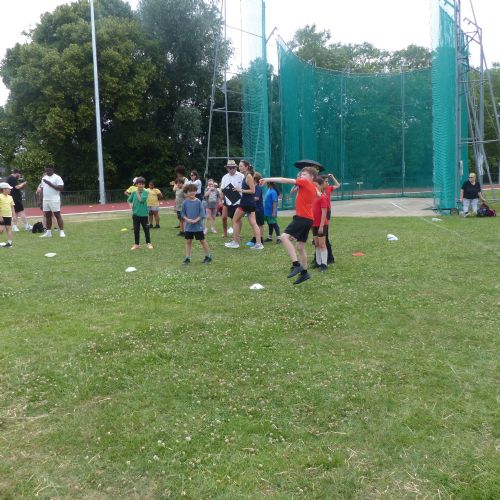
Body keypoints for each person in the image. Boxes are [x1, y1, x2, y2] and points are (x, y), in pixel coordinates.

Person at [260, 167, 319, 284]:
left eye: (304, 174)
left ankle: (296, 265)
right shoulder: (312, 186)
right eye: (301, 174)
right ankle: (304, 273)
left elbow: (284, 180)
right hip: (308, 219)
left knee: (284, 237)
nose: (301, 176)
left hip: (302, 218)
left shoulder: (306, 183)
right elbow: (317, 193)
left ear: (312, 177)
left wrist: (267, 179)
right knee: (300, 247)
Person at [225, 160, 263, 250]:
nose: (239, 168)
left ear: (247, 167)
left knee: (235, 220)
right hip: (249, 203)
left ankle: (235, 242)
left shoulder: (249, 176)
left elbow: (253, 191)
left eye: (241, 166)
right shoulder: (246, 176)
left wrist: (240, 190)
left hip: (246, 203)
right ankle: (259, 244)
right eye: (239, 166)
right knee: (253, 223)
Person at [181, 184, 212, 264]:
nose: (192, 192)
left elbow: (202, 214)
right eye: (190, 191)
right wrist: (187, 219)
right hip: (188, 227)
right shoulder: (185, 202)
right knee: (188, 241)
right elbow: (183, 214)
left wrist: (195, 220)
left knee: (202, 240)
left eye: (194, 191)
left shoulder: (198, 202)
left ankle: (208, 256)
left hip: (198, 226)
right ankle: (187, 258)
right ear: (186, 192)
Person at [39, 165, 66, 238]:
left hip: (54, 199)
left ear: (52, 170)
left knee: (57, 215)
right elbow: (42, 189)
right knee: (47, 216)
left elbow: (61, 188)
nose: (47, 172)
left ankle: (62, 232)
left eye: (48, 170)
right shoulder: (44, 178)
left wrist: (49, 183)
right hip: (45, 200)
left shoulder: (57, 177)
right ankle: (48, 232)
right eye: (46, 170)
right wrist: (40, 201)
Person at [220, 160, 244, 238]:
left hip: (238, 200)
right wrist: (221, 200)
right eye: (230, 168)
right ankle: (225, 233)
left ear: (236, 168)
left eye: (233, 167)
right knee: (224, 217)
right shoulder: (224, 177)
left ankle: (238, 234)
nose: (232, 169)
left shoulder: (241, 176)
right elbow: (222, 189)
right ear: (227, 168)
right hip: (227, 200)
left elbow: (245, 187)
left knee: (237, 219)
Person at [127, 177, 153, 250]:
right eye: (139, 184)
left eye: (142, 184)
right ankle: (136, 244)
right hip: (135, 215)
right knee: (136, 230)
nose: (141, 185)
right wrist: (131, 206)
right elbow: (129, 200)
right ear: (136, 185)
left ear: (144, 185)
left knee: (146, 230)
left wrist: (137, 193)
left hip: (144, 215)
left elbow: (141, 200)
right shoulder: (133, 193)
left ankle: (148, 243)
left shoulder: (145, 192)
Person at [311, 177, 330, 272]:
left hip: (321, 224)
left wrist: (321, 226)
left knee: (322, 244)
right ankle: (318, 262)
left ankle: (324, 264)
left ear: (320, 185)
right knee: (317, 244)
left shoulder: (323, 197)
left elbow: (324, 213)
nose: (314, 186)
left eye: (315, 185)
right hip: (314, 224)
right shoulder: (313, 197)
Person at [0, 182, 15, 248]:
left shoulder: (10, 197)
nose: (10, 190)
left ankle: (9, 243)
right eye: (8, 189)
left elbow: (12, 207)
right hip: (1, 216)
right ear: (4, 189)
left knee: (8, 229)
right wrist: (0, 216)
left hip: (8, 216)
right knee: (1, 230)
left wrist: (14, 216)